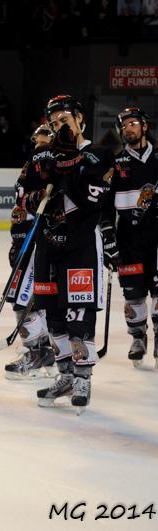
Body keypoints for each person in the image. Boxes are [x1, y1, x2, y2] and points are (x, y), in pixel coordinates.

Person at [29, 95, 114, 413]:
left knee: (78, 315)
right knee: (53, 318)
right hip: (49, 247)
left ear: (80, 119)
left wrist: (67, 167)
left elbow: (92, 200)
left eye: (64, 119)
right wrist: (40, 191)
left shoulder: (100, 155)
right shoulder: (45, 155)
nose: (58, 126)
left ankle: (82, 377)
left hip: (80, 248)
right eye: (53, 123)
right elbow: (27, 194)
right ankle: (64, 375)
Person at [101, 107, 158, 369]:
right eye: (124, 126)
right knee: (133, 293)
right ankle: (138, 337)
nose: (128, 129)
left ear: (144, 127)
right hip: (128, 239)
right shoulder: (116, 164)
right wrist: (109, 241)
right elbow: (104, 209)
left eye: (133, 123)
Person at [3, 125, 57, 380]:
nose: (41, 142)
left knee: (25, 302)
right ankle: (45, 352)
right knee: (26, 301)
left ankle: (37, 353)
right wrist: (17, 241)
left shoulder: (55, 166)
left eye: (46, 138)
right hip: (29, 243)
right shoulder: (30, 168)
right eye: (38, 138)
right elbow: (20, 204)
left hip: (45, 245)